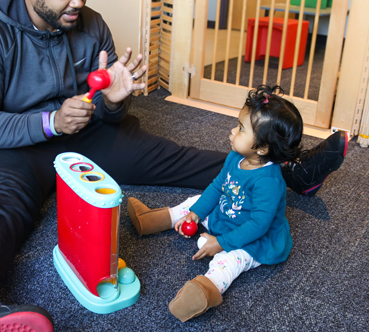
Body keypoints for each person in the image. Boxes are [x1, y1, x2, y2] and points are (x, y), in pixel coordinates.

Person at [0, 0, 347, 330]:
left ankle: (290, 172)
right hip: (5, 146)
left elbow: (110, 115)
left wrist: (115, 102)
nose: (78, 4)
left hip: (81, 134)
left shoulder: (91, 24)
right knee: (0, 211)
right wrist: (48, 122)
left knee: (185, 161)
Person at [127, 85, 304, 322]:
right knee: (194, 201)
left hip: (255, 238)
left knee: (228, 260)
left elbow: (258, 225)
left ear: (262, 148)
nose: (232, 131)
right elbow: (218, 185)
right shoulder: (236, 156)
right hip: (229, 213)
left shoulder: (268, 182)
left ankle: (204, 290)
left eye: (241, 129)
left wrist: (221, 243)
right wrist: (196, 213)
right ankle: (155, 219)